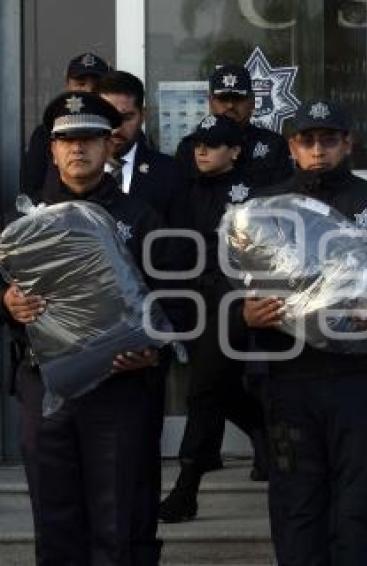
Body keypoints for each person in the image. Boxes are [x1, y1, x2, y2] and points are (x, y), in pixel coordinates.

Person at [235, 99, 367, 564]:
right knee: (296, 508)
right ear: (292, 146)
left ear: (348, 143)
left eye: (329, 139)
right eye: (307, 140)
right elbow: (223, 284)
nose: (318, 149)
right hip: (288, 383)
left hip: (358, 381)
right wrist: (243, 316)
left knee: (355, 505)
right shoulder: (264, 210)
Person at [5, 91, 169, 564]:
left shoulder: (141, 217)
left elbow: (176, 298)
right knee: (54, 522)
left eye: (90, 139)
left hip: (119, 386)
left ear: (109, 146)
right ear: (52, 149)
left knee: (116, 518)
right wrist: (6, 301)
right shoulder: (21, 222)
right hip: (45, 384)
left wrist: (155, 349)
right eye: (67, 140)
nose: (78, 149)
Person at [158, 113, 269, 523]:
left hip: (230, 301)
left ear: (235, 151)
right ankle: (266, 429)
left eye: (214, 144)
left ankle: (186, 488)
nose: (202, 150)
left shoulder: (251, 193)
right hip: (188, 298)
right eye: (198, 143)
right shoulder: (183, 188)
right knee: (218, 385)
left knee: (204, 390)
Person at [174, 64, 292, 187]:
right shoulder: (189, 147)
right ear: (210, 102)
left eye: (237, 98)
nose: (230, 105)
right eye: (223, 99)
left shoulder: (273, 145)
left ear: (252, 102)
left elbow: (282, 198)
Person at [97, 70, 185, 221]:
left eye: (127, 117)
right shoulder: (74, 169)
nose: (117, 128)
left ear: (142, 116)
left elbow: (181, 239)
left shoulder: (168, 172)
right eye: (109, 117)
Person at [22, 52, 111, 197]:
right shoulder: (45, 134)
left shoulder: (120, 132)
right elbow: (31, 189)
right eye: (81, 84)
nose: (88, 91)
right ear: (67, 86)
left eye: (97, 87)